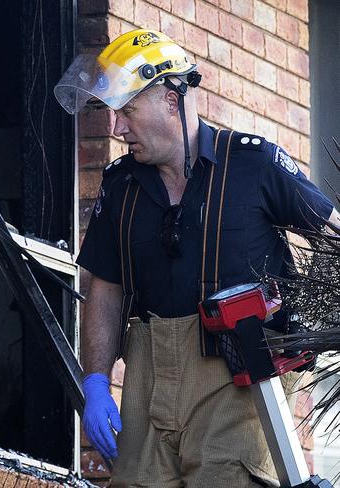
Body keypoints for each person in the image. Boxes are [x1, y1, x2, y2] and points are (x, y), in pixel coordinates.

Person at [54, 29, 340, 487]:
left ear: (171, 100)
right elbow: (105, 286)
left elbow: (334, 233)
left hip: (239, 388)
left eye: (126, 112)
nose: (116, 129)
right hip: (147, 385)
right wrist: (96, 384)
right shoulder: (120, 185)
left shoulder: (253, 164)